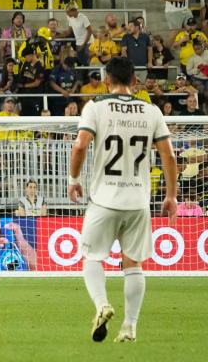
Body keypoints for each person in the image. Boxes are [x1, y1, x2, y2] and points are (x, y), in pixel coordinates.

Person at [68, 56, 178, 343]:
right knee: (133, 265)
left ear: (106, 80)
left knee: (91, 257)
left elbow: (80, 144)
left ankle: (102, 304)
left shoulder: (96, 107)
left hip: (104, 199)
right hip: (138, 201)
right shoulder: (152, 111)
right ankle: (129, 327)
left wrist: (73, 179)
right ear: (134, 81)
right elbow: (168, 155)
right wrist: (171, 195)